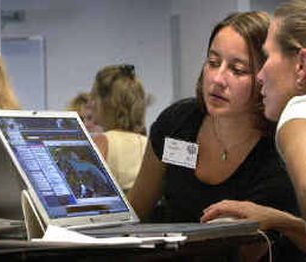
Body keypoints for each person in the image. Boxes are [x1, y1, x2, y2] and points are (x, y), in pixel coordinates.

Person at [128, 11, 303, 260]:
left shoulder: (280, 146)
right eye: (212, 62)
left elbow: (246, 253)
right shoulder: (178, 122)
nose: (218, 79)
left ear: (264, 76)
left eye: (238, 69)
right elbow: (135, 212)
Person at [201, 0, 306, 253]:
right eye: (213, 62)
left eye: (267, 57)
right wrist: (283, 221)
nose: (260, 76)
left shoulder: (297, 112)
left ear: (301, 65)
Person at [90, 64, 148, 193]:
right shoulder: (148, 143)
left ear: (107, 104)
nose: (91, 104)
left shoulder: (102, 142)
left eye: (94, 97)